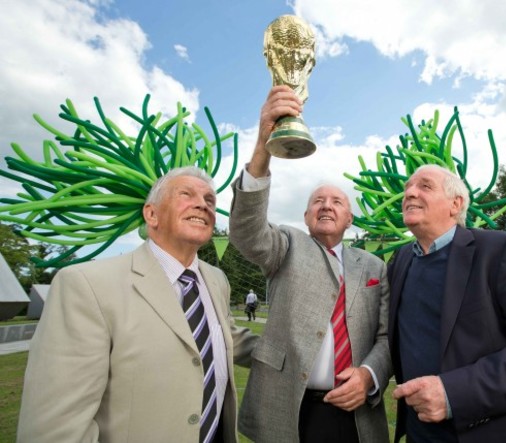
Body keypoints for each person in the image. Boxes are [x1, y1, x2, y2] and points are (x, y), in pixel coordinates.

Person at [17, 166, 258, 443]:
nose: (202, 205)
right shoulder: (86, 284)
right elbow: (55, 426)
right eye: (186, 194)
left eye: (210, 200)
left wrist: (311, 359)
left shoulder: (217, 279)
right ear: (151, 214)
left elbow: (226, 338)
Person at [228, 85, 391, 443]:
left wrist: (367, 375)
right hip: (290, 410)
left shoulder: (374, 267)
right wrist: (263, 145)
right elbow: (246, 230)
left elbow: (386, 337)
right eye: (318, 200)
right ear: (305, 216)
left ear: (350, 219)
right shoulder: (287, 245)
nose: (327, 205)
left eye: (336, 201)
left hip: (356, 412)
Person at [388, 164, 506, 442]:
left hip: (494, 431)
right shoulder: (401, 261)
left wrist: (453, 394)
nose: (409, 193)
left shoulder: (502, 250)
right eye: (407, 188)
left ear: (456, 204)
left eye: (424, 186)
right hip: (421, 433)